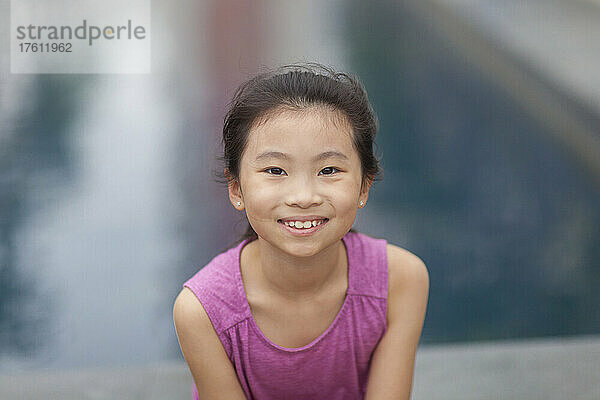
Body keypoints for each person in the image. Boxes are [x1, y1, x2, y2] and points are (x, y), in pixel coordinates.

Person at [173, 63, 429, 400]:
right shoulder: (202, 310)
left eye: (328, 169)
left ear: (364, 187)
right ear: (236, 189)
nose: (303, 197)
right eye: (276, 170)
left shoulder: (400, 280)